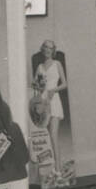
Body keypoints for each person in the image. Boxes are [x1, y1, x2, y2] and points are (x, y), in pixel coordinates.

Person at [33, 39, 67, 177]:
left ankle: (58, 169)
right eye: (46, 47)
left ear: (53, 50)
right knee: (47, 136)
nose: (48, 49)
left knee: (53, 135)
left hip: (54, 100)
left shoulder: (57, 64)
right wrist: (37, 88)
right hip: (43, 102)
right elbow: (36, 86)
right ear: (43, 49)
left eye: (50, 48)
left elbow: (65, 84)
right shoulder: (39, 67)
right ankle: (54, 167)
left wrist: (54, 90)